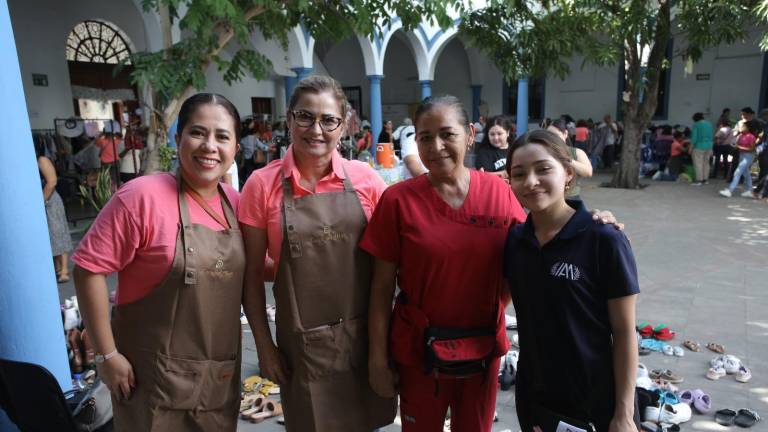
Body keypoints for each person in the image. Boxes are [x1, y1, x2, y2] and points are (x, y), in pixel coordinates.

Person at [72, 93, 245, 431]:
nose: (209, 146)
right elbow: (87, 270)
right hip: (152, 381)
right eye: (197, 132)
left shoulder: (237, 205)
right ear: (177, 138)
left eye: (222, 136)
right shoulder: (142, 197)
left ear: (235, 149)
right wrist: (107, 356)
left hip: (217, 378)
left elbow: (257, 269)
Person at [238, 75, 396, 431]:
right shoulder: (261, 185)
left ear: (344, 126)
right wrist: (264, 347)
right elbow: (250, 275)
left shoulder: (367, 181)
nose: (317, 129)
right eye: (305, 117)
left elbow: (389, 267)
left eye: (329, 120)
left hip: (366, 341)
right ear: (290, 119)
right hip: (303, 351)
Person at [362, 95, 527, 432]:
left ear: (469, 134)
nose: (436, 147)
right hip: (418, 354)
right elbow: (380, 290)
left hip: (482, 351)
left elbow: (528, 257)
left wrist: (596, 223)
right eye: (425, 137)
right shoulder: (398, 201)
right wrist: (377, 360)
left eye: (447, 134)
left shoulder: (499, 193)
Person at [505, 129, 639, 432]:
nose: (530, 181)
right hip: (534, 400)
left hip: (594, 402)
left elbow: (625, 333)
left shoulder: (604, 238)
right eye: (519, 173)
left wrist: (624, 413)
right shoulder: (515, 241)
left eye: (543, 169)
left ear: (567, 173)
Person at [36, 142, 73, 283]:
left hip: (50, 200)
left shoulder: (42, 160)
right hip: (43, 200)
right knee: (50, 234)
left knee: (58, 233)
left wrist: (42, 201)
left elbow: (52, 182)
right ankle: (58, 268)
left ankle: (64, 270)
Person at [547, 119, 592, 200]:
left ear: (565, 134)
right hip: (549, 198)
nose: (552, 139)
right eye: (548, 135)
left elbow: (588, 172)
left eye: (555, 135)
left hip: (571, 197)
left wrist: (568, 160)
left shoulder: (576, 152)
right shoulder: (542, 152)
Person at [719, 119, 759, 198]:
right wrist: (735, 146)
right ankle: (749, 190)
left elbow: (752, 149)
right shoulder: (741, 135)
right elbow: (737, 145)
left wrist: (738, 147)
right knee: (746, 174)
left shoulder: (751, 137)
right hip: (741, 155)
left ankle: (730, 190)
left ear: (749, 128)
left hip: (748, 156)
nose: (741, 127)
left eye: (744, 126)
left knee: (738, 172)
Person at [475, 115, 514, 180]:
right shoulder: (484, 152)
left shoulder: (515, 150)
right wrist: (502, 174)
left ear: (508, 133)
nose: (496, 138)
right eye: (492, 134)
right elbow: (482, 176)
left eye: (499, 134)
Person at [690, 112, 714, 185]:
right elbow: (711, 136)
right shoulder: (709, 124)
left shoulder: (696, 125)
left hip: (699, 146)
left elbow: (694, 137)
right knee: (706, 163)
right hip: (709, 146)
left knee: (698, 163)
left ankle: (699, 180)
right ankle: (705, 180)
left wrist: (690, 147)